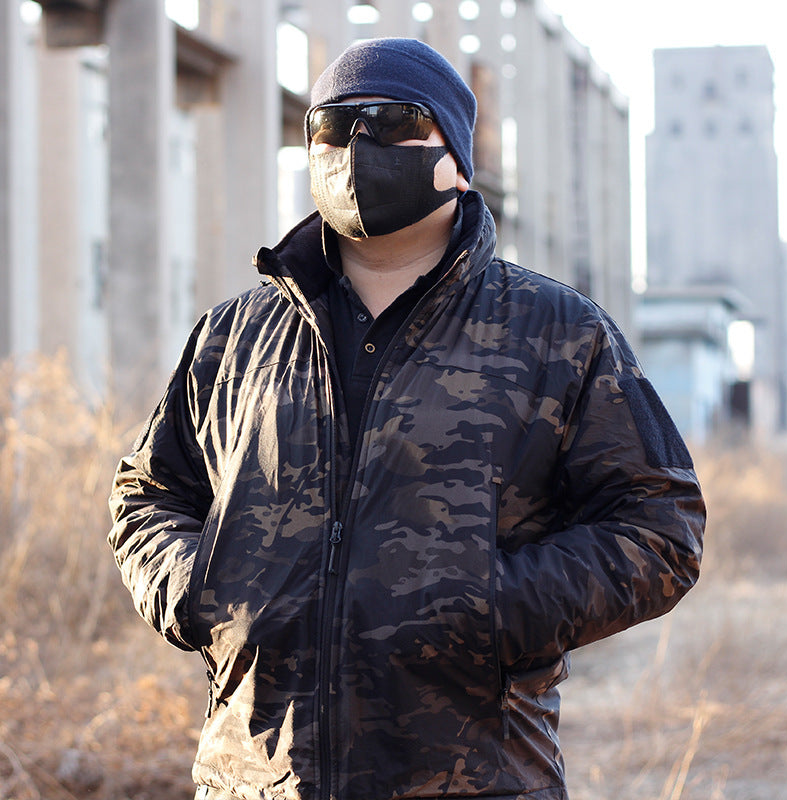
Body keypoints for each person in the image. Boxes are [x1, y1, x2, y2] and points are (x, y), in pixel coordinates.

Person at [108, 37, 705, 800]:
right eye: (334, 124)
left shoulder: (556, 332)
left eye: (394, 121)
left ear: (456, 155)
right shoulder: (235, 337)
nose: (360, 145)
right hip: (253, 782)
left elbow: (660, 524)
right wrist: (202, 590)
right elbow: (145, 496)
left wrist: (492, 605)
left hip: (474, 779)